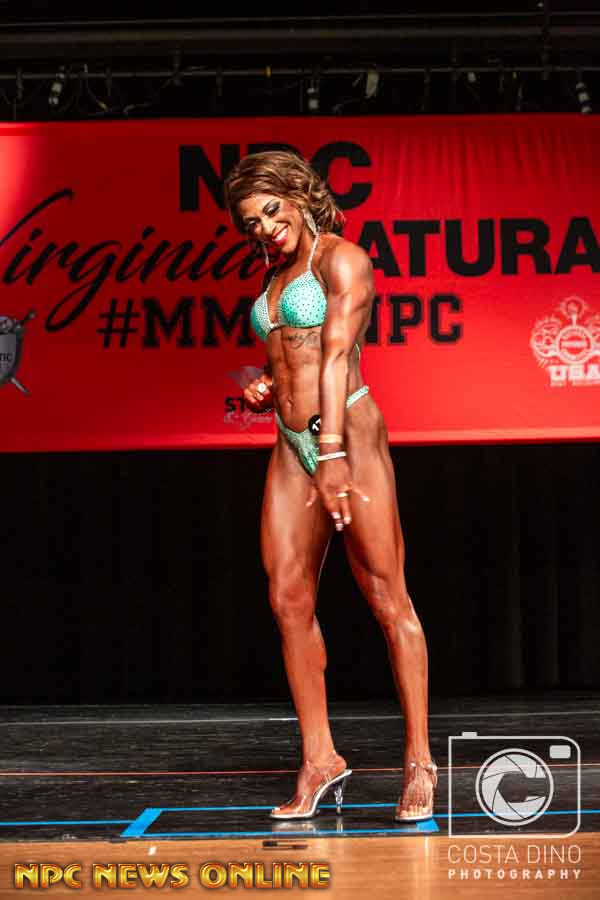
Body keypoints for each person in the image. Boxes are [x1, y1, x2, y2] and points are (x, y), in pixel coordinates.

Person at [224, 150, 437, 823]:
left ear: (298, 196)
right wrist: (263, 386)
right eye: (251, 223)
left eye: (271, 212)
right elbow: (291, 353)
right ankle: (320, 759)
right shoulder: (274, 275)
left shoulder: (343, 260)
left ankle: (420, 760)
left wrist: (336, 453)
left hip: (347, 434)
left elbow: (338, 355)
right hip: (291, 445)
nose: (264, 228)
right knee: (287, 598)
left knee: (387, 598)